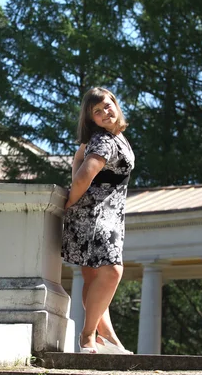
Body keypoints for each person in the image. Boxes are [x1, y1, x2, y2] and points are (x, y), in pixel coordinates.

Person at [62, 87, 135, 354]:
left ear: (116, 105)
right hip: (93, 215)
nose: (105, 112)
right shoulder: (104, 140)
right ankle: (87, 335)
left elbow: (79, 154)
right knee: (113, 270)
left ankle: (108, 338)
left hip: (107, 213)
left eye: (107, 106)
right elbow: (84, 175)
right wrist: (70, 202)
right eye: (97, 111)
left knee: (93, 279)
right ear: (91, 118)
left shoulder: (116, 137)